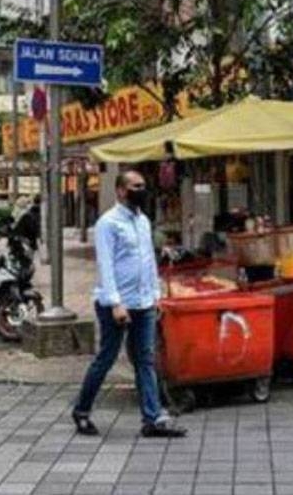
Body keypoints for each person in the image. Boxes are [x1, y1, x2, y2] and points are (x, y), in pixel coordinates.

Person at [72, 171, 186, 438]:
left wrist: (155, 295)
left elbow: (147, 262)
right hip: (116, 303)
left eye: (143, 185)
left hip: (143, 302)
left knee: (145, 359)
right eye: (136, 186)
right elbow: (106, 266)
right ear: (121, 191)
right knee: (107, 358)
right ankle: (82, 410)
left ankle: (153, 418)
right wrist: (115, 303)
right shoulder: (108, 223)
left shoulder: (143, 221)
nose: (142, 190)